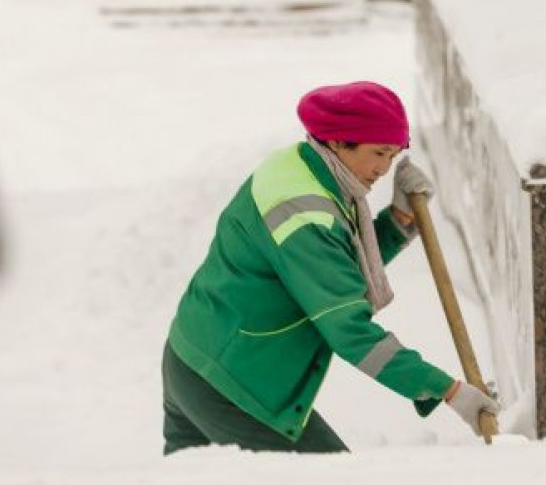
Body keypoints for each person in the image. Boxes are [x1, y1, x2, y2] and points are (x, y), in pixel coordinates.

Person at [161, 80, 498, 454]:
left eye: (393, 155)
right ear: (338, 141)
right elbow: (349, 331)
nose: (384, 168)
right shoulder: (304, 213)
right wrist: (445, 389)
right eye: (379, 153)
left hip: (193, 354)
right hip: (229, 382)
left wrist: (399, 220)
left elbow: (329, 273)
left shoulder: (303, 166)